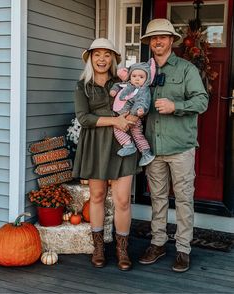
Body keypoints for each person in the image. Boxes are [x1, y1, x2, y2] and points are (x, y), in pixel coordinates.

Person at [138, 19, 209, 272]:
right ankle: (157, 243)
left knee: (183, 199)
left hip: (180, 147)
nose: (157, 41)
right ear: (148, 43)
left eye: (162, 37)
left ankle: (183, 249)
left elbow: (202, 102)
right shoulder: (143, 71)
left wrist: (175, 106)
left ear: (171, 40)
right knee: (157, 198)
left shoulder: (186, 69)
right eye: (153, 38)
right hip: (153, 148)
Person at [72, 38, 138, 271]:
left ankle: (122, 250)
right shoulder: (83, 86)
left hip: (122, 146)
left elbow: (136, 101)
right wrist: (114, 120)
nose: (102, 59)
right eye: (97, 54)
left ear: (113, 59)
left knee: (122, 200)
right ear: (90, 58)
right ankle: (98, 248)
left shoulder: (122, 82)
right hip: (95, 145)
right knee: (97, 197)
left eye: (106, 54)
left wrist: (132, 117)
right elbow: (84, 118)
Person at [110, 62, 155, 166]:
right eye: (134, 76)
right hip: (122, 117)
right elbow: (117, 85)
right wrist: (113, 90)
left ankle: (139, 150)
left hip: (133, 117)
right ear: (130, 76)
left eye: (141, 77)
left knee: (131, 133)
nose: (137, 79)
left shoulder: (143, 90)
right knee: (127, 132)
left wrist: (139, 110)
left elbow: (143, 101)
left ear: (147, 79)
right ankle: (137, 149)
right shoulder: (127, 85)